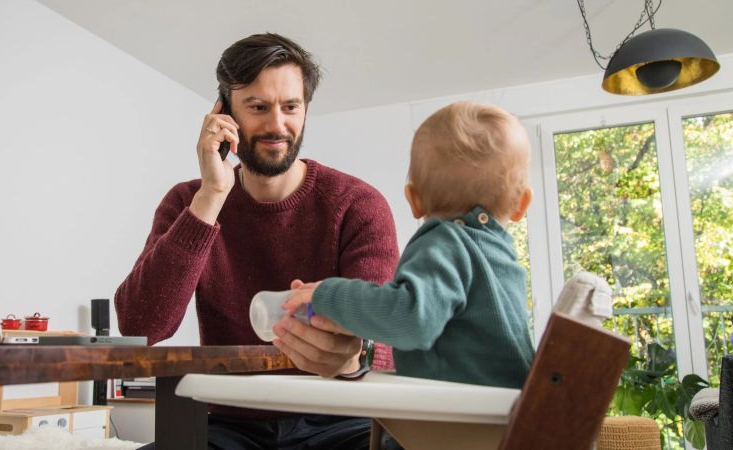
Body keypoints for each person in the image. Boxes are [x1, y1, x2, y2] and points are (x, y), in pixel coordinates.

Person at [115, 33, 401, 449]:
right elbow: (140, 326)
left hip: (341, 421)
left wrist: (358, 353)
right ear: (225, 115)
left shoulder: (358, 204)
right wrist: (212, 195)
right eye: (257, 107)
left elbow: (386, 336)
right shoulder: (188, 202)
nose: (276, 125)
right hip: (228, 426)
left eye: (290, 107)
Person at [282, 101, 536, 389]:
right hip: (509, 414)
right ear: (521, 205)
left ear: (413, 200)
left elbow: (409, 318)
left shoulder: (447, 243)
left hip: (460, 423)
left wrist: (329, 294)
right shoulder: (501, 257)